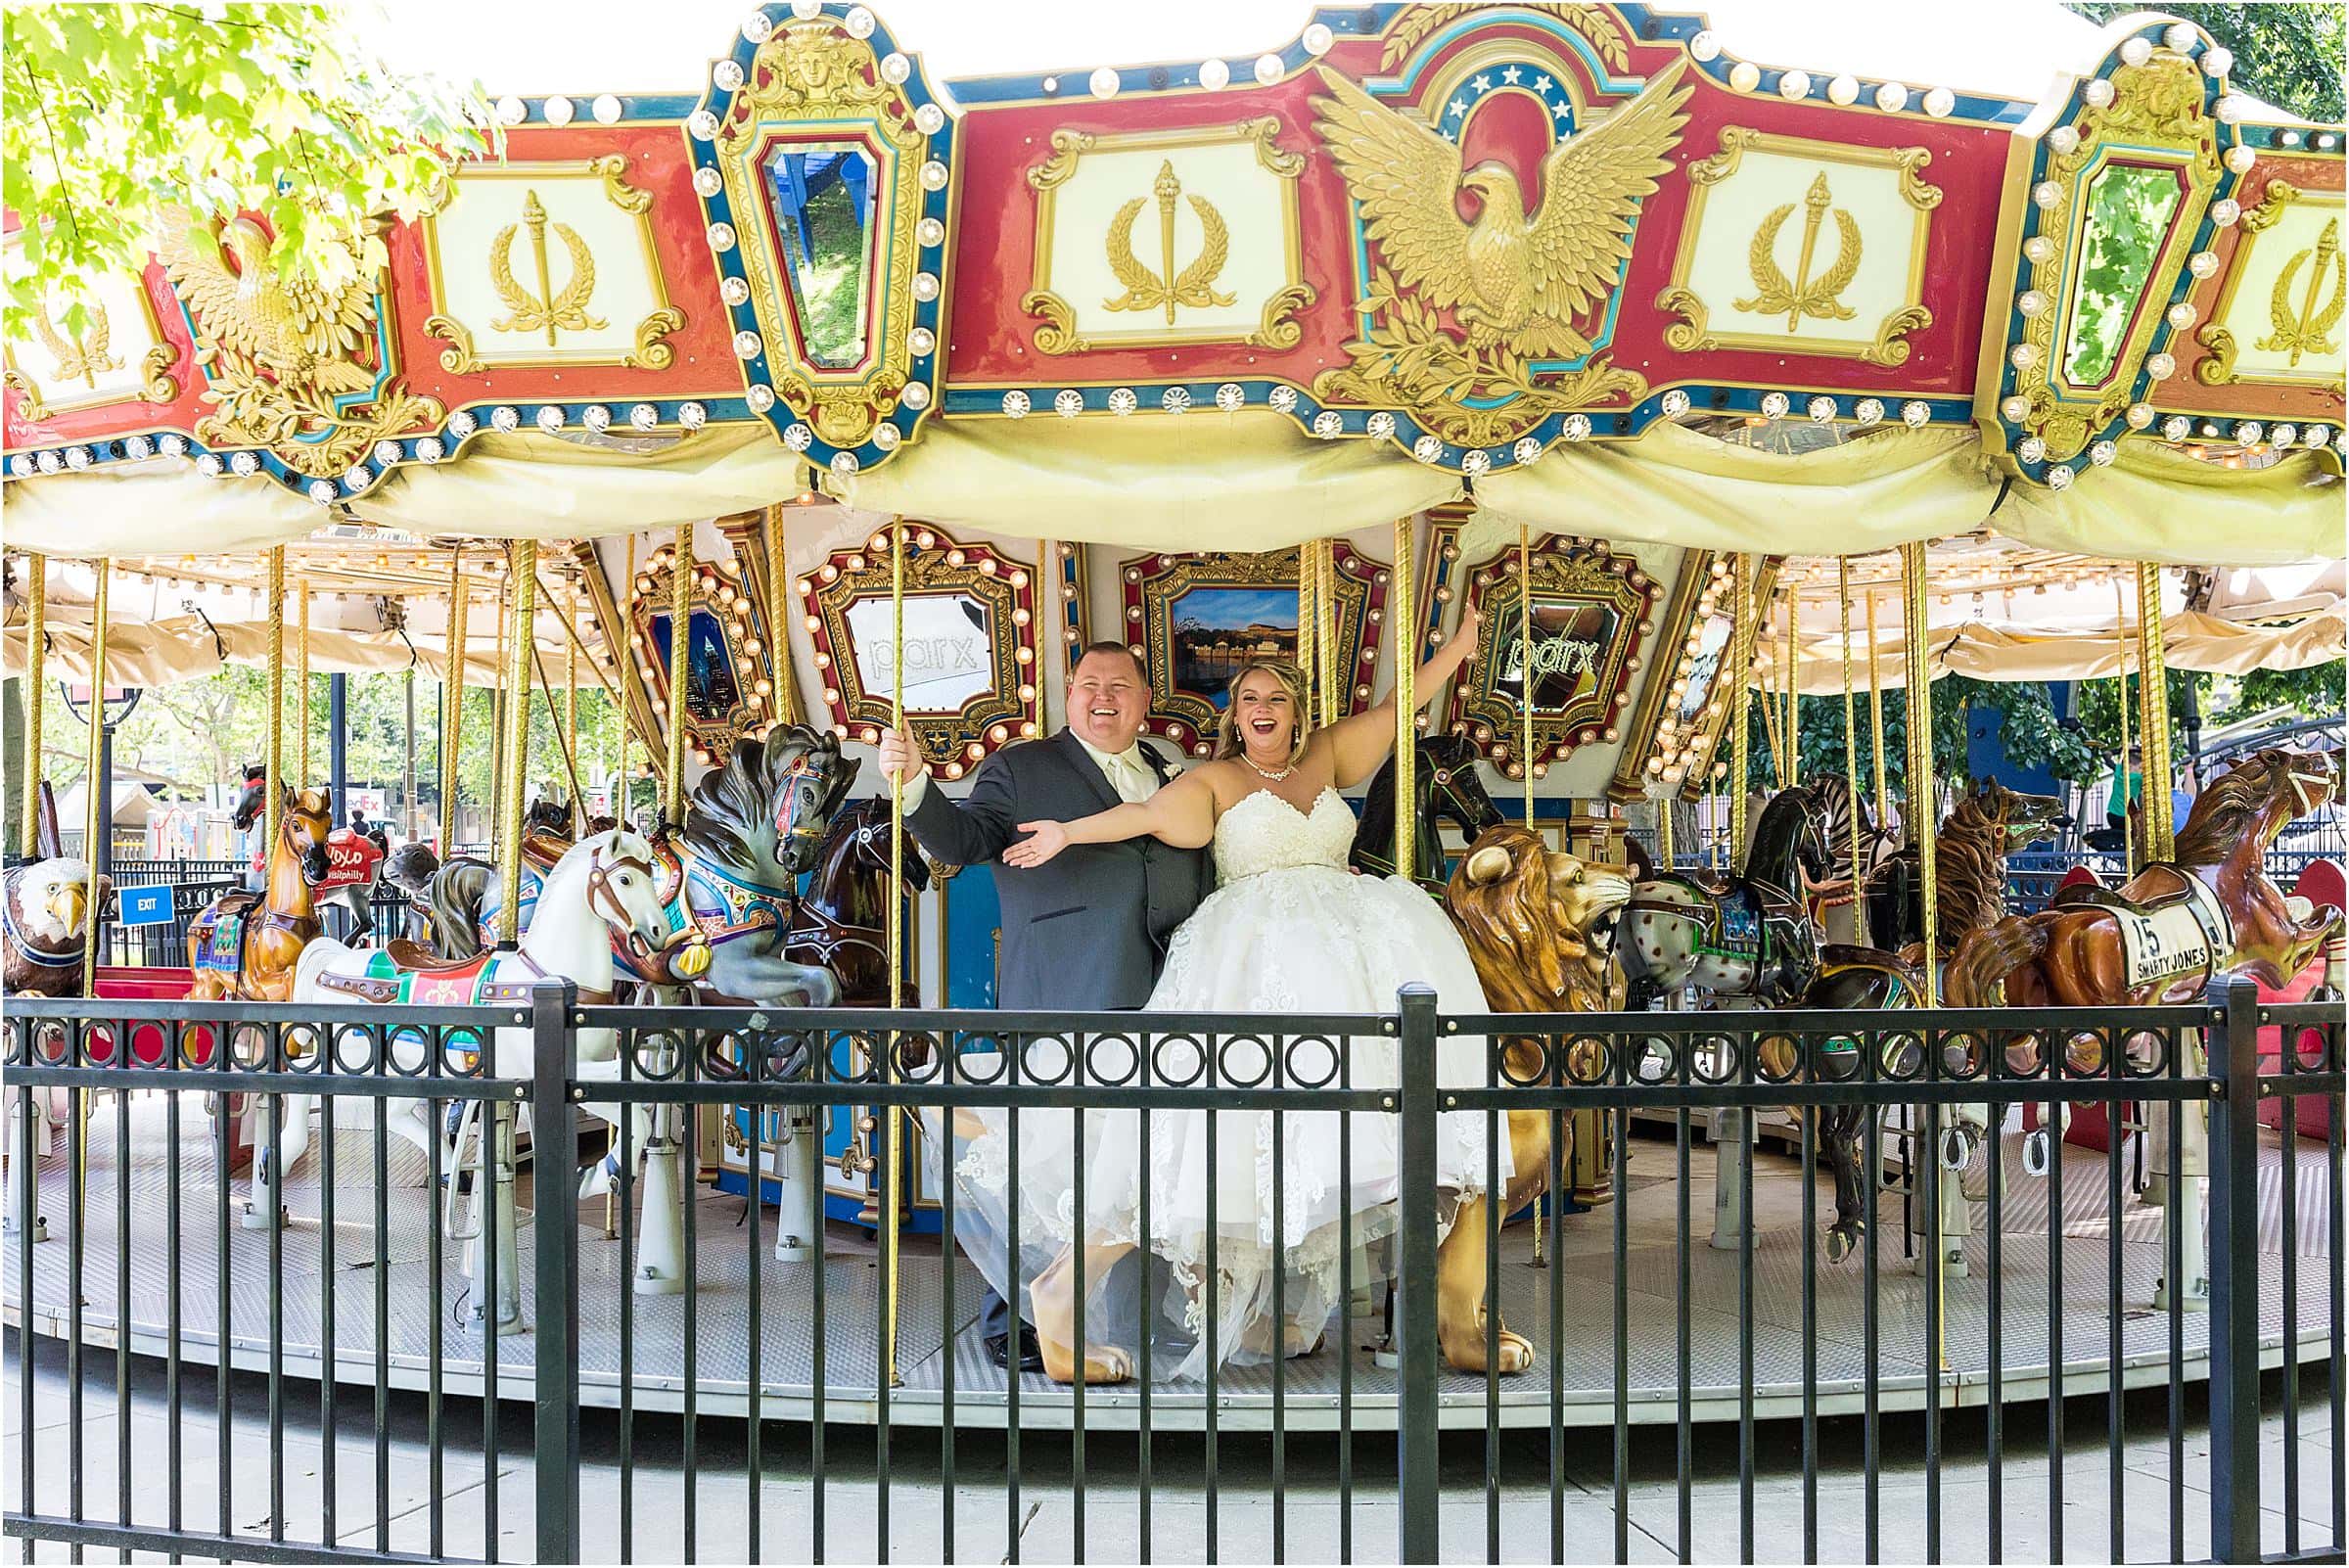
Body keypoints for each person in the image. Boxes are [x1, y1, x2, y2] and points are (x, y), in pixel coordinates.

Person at [955, 607, 1501, 1383]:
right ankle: (1062, 1293)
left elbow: (1394, 709)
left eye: (1274, 697)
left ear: (1296, 709)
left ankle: (1287, 1313)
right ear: (1233, 715)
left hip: (1351, 961)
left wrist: (1456, 653)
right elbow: (1142, 815)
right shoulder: (1211, 781)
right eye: (1247, 700)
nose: (1261, 710)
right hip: (1254, 963)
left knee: (1329, 1142)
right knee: (1198, 1147)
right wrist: (1067, 834)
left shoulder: (1329, 759)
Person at [875, 640, 1215, 1371]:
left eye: (1120, 685)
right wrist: (913, 790)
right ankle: (1015, 1323)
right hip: (1067, 982)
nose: (1104, 696)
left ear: (1145, 700)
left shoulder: (1167, 773)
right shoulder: (1023, 768)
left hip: (1161, 987)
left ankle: (1120, 1313)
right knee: (1048, 1158)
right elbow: (966, 839)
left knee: (1129, 1162)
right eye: (1090, 683)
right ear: (1068, 695)